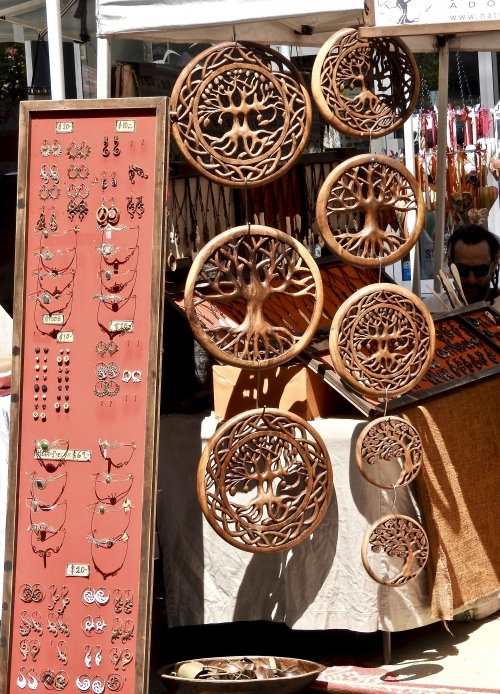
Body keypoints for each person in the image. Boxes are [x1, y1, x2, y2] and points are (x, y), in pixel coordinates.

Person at [424, 224, 500, 313]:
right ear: (450, 264)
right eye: (462, 270)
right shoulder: (432, 306)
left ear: (494, 264)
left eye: (480, 270)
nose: (471, 280)